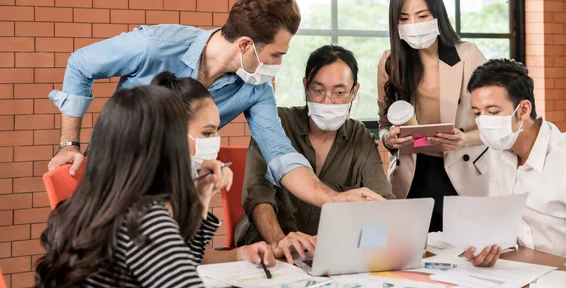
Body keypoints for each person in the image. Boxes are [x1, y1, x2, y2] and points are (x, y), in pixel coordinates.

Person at [47, 0, 381, 209]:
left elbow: (280, 155)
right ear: (246, 45)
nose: (277, 64)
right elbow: (80, 64)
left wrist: (332, 199)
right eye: (276, 55)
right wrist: (68, 143)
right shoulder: (155, 45)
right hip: (115, 185)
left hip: (173, 198)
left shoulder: (256, 87)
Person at [32, 86, 240, 288]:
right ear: (167, 146)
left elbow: (185, 263)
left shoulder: (97, 204)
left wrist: (203, 195)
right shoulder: (145, 220)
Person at [234, 45, 394, 263]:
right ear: (305, 86)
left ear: (354, 92)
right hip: (267, 252)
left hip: (330, 253)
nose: (327, 101)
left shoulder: (359, 137)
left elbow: (381, 199)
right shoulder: (276, 125)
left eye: (339, 93)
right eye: (318, 90)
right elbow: (258, 196)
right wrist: (279, 241)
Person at [465, 58, 566, 267]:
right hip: (525, 270)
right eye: (477, 113)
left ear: (524, 109)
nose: (484, 122)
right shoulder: (498, 154)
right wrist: (484, 247)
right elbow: (499, 224)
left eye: (493, 112)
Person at [378, 0, 490, 232]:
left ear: (437, 15)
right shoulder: (390, 62)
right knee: (413, 252)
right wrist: (390, 139)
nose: (414, 25)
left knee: (464, 250)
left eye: (422, 16)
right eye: (404, 19)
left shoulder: (468, 55)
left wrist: (464, 139)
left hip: (462, 170)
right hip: (412, 173)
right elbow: (384, 124)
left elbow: (495, 122)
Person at [151, 71, 276, 265]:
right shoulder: (148, 194)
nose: (216, 140)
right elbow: (176, 267)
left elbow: (196, 256)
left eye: (217, 130)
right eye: (207, 132)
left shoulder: (188, 179)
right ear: (171, 131)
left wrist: (242, 254)